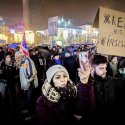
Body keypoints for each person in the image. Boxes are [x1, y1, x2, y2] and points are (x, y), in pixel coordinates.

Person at [77, 54, 125, 125]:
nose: (105, 71)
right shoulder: (85, 86)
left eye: (105, 67)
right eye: (101, 68)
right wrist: (84, 83)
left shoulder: (114, 82)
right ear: (92, 69)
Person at [15, 50, 38, 121]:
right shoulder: (23, 61)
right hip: (26, 84)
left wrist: (27, 81)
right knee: (27, 99)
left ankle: (32, 115)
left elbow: (31, 74)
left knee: (30, 100)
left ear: (21, 56)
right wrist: (19, 65)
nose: (17, 59)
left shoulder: (28, 61)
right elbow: (24, 68)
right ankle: (28, 110)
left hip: (30, 84)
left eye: (18, 58)